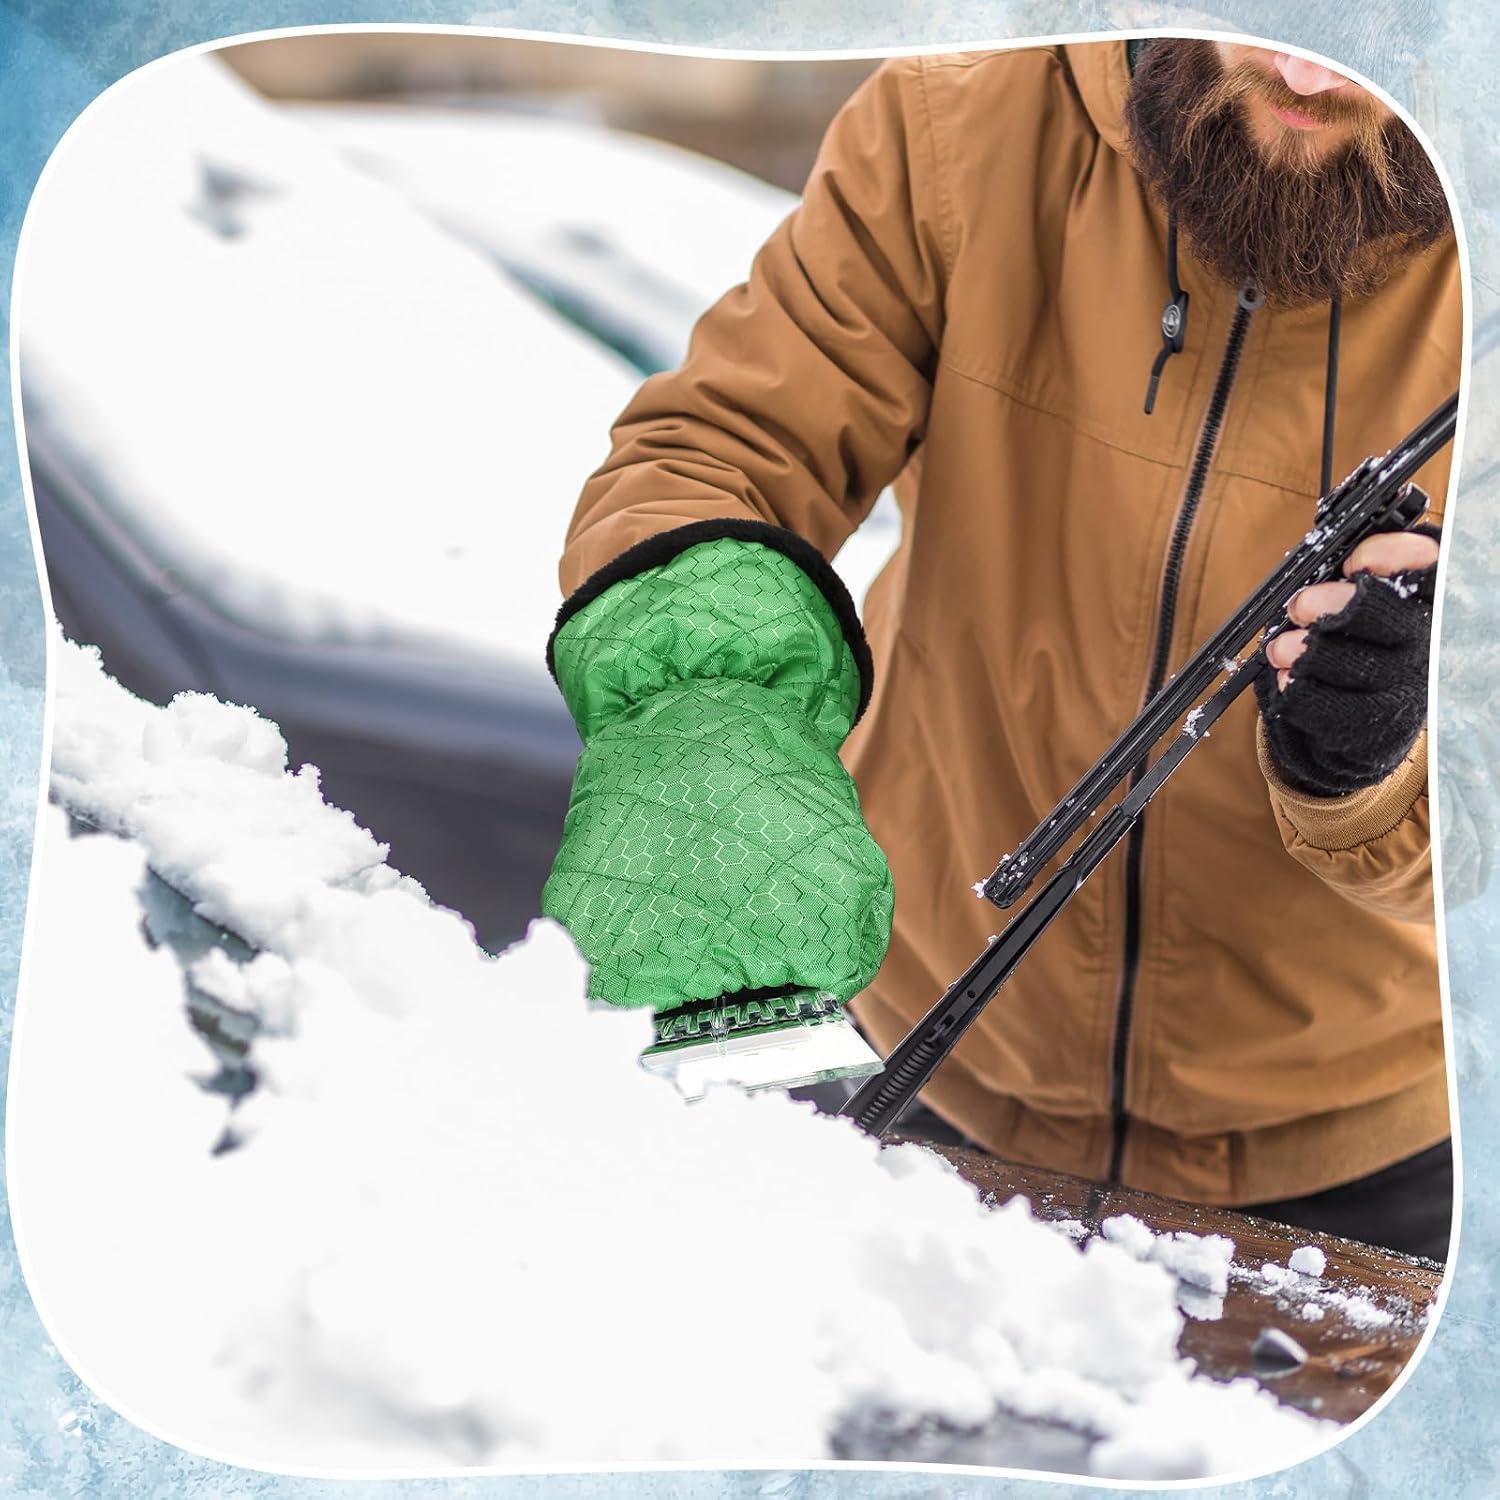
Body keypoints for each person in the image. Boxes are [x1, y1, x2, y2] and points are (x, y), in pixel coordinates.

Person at [539, 38, 1461, 1261]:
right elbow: (727, 444)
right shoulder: (954, 126)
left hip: (1364, 1145)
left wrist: (1391, 764)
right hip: (925, 1059)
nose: (1307, 69)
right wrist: (711, 699)